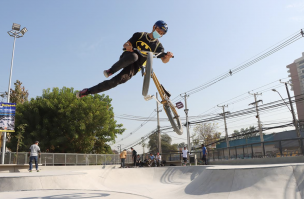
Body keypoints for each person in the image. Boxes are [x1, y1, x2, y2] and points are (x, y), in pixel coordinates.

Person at [76, 20, 173, 98]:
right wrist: (128, 46)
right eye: (159, 31)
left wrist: (167, 57)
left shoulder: (158, 47)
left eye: (161, 34)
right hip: (128, 57)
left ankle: (87, 91)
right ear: (154, 27)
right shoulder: (140, 35)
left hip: (136, 67)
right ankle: (111, 71)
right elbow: (126, 44)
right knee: (134, 56)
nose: (159, 34)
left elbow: (164, 60)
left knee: (115, 82)